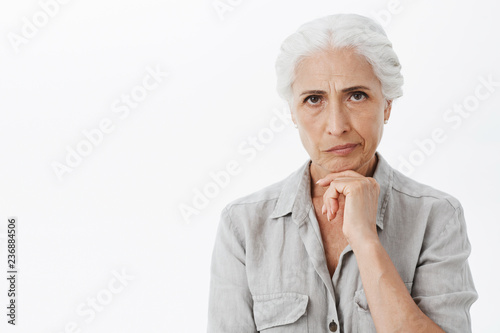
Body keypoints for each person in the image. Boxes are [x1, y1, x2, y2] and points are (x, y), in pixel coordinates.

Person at [207, 13, 478, 333]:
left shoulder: (436, 216)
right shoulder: (242, 224)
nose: (337, 126)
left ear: (387, 104)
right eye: (313, 99)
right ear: (293, 112)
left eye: (357, 95)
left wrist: (366, 241)